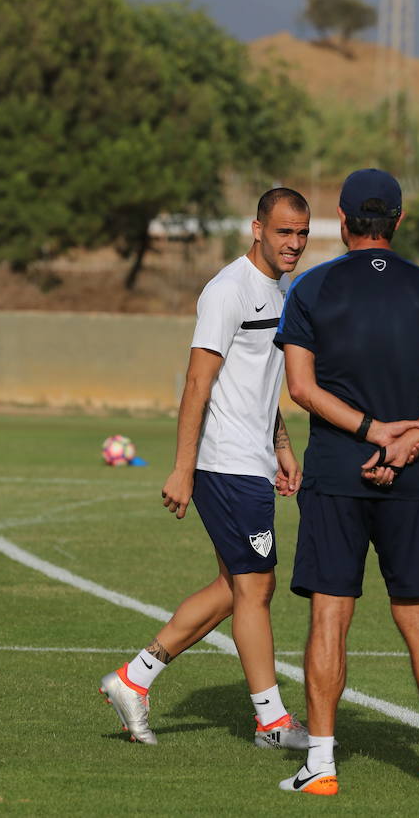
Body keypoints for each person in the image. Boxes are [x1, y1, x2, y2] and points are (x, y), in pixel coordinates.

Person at [274, 169, 419, 797]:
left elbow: (301, 388)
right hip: (411, 477)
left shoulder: (312, 286)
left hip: (337, 472)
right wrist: (407, 441)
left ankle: (322, 765)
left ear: (341, 218)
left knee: (330, 615)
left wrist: (371, 431)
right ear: (399, 221)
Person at [99, 188, 313, 750]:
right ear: (257, 229)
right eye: (284, 231)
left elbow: (258, 383)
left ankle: (133, 679)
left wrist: (282, 446)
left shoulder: (281, 289)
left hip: (252, 459)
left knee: (235, 586)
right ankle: (271, 722)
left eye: (302, 233)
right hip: (225, 463)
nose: (294, 243)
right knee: (256, 586)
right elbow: (199, 382)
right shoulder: (227, 291)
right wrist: (182, 468)